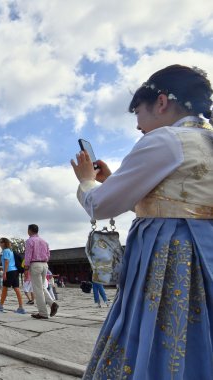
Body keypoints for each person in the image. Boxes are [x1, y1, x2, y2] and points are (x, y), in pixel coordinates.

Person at [71, 64, 213, 378]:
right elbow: (180, 204)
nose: (138, 125)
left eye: (138, 112)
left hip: (170, 256)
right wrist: (118, 182)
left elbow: (100, 205)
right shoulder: (206, 140)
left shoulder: (166, 140)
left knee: (153, 333)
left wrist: (87, 182)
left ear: (160, 102)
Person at [24, 224, 58, 319]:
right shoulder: (44, 241)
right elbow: (48, 254)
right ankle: (52, 304)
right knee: (42, 287)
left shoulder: (29, 241)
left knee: (37, 289)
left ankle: (43, 312)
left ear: (29, 230)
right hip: (44, 264)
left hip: (35, 265)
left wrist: (26, 266)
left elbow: (28, 254)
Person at [0, 238, 25, 314]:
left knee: (5, 288)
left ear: (4, 243)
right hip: (15, 271)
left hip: (9, 271)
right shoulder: (11, 251)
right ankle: (21, 307)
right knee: (16, 289)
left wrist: (4, 272)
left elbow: (6, 261)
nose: (0, 244)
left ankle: (0, 305)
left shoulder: (5, 251)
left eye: (1, 242)